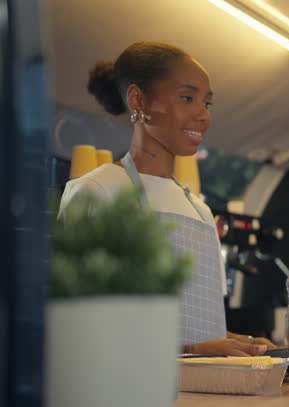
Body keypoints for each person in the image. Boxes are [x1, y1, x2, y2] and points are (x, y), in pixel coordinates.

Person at [59, 41, 276, 357]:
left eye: (207, 103)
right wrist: (193, 350)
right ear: (138, 100)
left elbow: (200, 326)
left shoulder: (199, 209)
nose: (203, 115)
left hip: (212, 395)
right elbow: (81, 329)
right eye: (187, 98)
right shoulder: (97, 191)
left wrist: (240, 341)